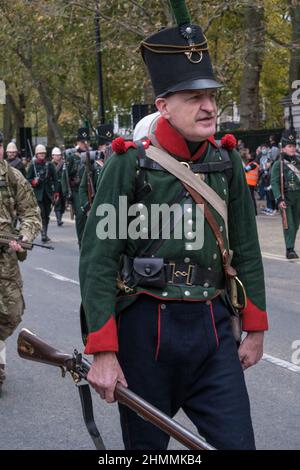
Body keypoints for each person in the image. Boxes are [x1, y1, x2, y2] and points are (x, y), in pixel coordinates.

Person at [79, 0, 268, 450]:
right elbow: (99, 260)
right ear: (164, 105)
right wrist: (103, 350)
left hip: (213, 326)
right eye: (194, 98)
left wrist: (256, 325)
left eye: (211, 97)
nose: (208, 107)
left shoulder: (225, 161)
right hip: (146, 333)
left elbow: (245, 247)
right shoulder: (129, 163)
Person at [0, 130, 41, 396]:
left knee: (11, 312)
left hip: (5, 257)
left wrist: (23, 237)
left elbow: (31, 214)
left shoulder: (13, 177)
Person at [271, 129, 300, 259]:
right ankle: (290, 249)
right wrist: (279, 198)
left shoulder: (298, 162)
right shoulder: (279, 164)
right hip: (287, 198)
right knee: (289, 224)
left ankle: (291, 246)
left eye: (294, 146)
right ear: (283, 148)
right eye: (290, 146)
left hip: (298, 197)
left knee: (296, 223)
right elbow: (275, 182)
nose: (293, 148)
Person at [62, 128, 89, 247]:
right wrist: (66, 193)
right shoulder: (72, 157)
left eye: (87, 141)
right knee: (82, 214)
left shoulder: (90, 155)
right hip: (77, 191)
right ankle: (81, 243)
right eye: (83, 142)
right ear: (77, 143)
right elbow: (65, 176)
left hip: (89, 190)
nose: (85, 144)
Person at [27, 144, 59, 242]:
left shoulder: (50, 165)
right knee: (41, 214)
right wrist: (33, 182)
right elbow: (27, 180)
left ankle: (45, 231)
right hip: (38, 194)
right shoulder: (32, 165)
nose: (42, 155)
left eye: (43, 153)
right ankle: (43, 234)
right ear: (36, 154)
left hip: (48, 194)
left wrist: (56, 192)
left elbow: (55, 179)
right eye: (40, 153)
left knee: (47, 214)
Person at [242, 148, 259, 215]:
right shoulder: (252, 163)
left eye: (249, 155)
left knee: (251, 198)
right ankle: (253, 211)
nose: (248, 156)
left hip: (250, 183)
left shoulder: (253, 164)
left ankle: (254, 212)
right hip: (250, 183)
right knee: (251, 197)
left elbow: (245, 169)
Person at [51, 147, 65, 226]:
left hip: (63, 185)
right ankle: (58, 219)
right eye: (56, 155)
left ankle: (60, 217)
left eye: (59, 155)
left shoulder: (63, 163)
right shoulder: (50, 164)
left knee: (63, 202)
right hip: (55, 185)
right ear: (53, 156)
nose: (58, 157)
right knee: (58, 202)